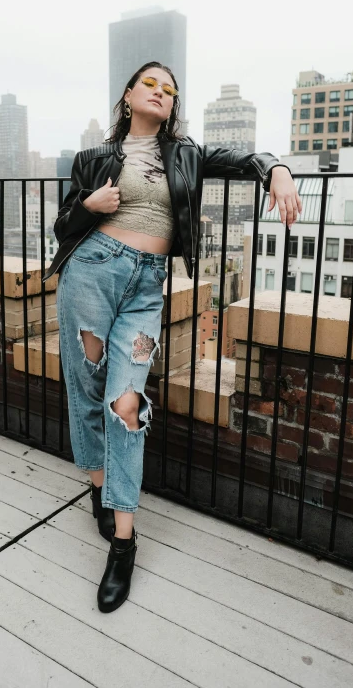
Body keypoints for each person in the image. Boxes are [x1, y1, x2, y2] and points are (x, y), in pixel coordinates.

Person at [43, 61, 302, 613]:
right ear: (129, 95)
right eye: (150, 84)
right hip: (92, 273)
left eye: (170, 89)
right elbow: (63, 226)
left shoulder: (186, 153)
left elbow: (245, 159)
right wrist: (88, 207)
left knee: (126, 403)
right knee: (86, 392)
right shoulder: (92, 159)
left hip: (145, 287)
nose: (160, 92)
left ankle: (124, 542)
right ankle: (98, 490)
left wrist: (276, 169)